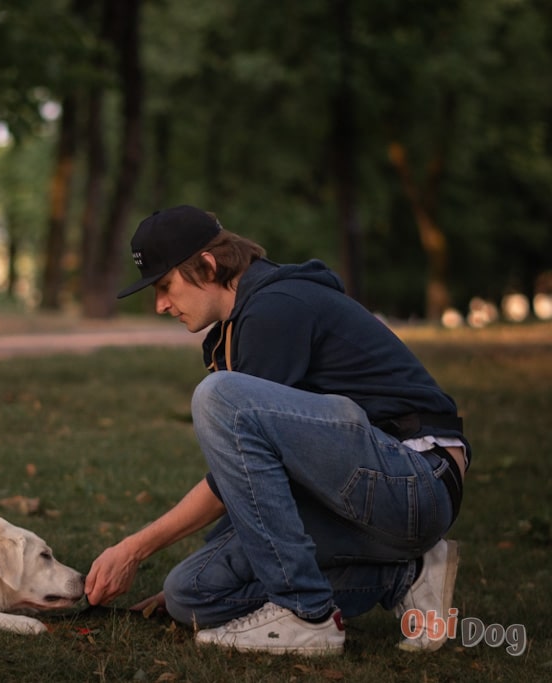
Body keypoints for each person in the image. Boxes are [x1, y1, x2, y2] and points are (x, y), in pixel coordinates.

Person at [85, 205, 468, 656]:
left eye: (165, 285)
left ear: (206, 266)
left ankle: (306, 615)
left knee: (217, 396)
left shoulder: (277, 308)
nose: (160, 304)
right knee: (190, 592)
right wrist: (215, 559)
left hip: (416, 482)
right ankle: (405, 575)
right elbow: (250, 480)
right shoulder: (237, 326)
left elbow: (231, 476)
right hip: (357, 499)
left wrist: (134, 548)